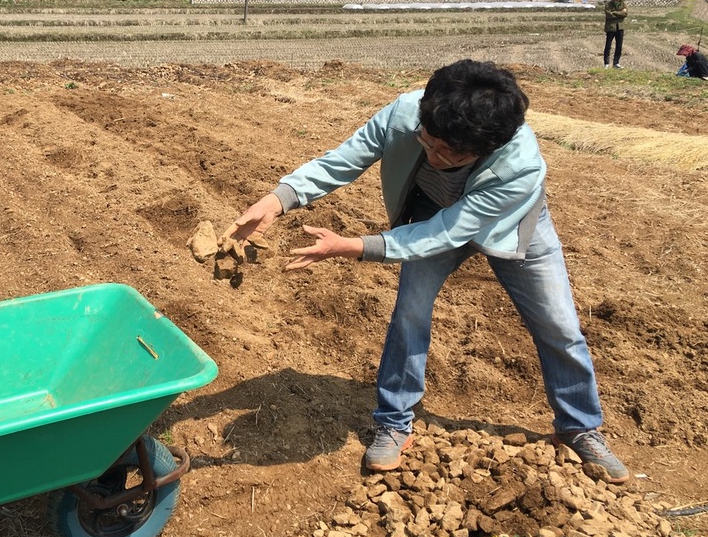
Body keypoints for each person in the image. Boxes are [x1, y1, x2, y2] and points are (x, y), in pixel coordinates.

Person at [223, 59, 629, 484]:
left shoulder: (520, 167)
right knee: (410, 311)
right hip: (430, 213)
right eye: (428, 143)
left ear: (487, 148)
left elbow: (448, 232)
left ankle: (579, 426)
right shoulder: (406, 112)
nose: (432, 158)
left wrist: (357, 247)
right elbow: (343, 159)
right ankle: (394, 421)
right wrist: (278, 199)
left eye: (449, 154)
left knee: (558, 324)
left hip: (511, 224)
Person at [603, 0, 628, 69]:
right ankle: (606, 63)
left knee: (619, 45)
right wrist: (620, 13)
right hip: (611, 27)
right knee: (608, 45)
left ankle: (616, 63)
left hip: (620, 27)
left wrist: (615, 12)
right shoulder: (608, 4)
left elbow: (625, 14)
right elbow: (609, 15)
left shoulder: (623, 3)